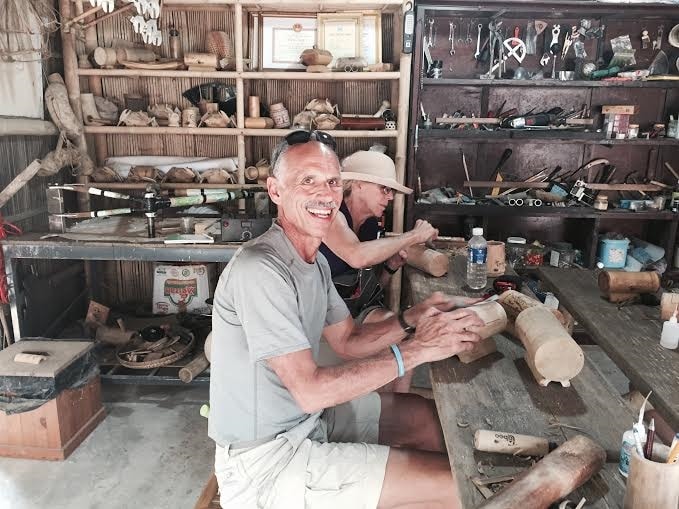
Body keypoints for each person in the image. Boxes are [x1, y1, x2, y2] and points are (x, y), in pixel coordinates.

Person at [209, 130, 484, 509]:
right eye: (308, 181)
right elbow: (310, 391)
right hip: (266, 461)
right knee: (457, 489)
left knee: (426, 420)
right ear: (275, 191)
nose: (326, 195)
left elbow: (348, 341)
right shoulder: (260, 268)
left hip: (310, 422)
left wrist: (412, 318)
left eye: (333, 182)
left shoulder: (314, 261)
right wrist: (417, 350)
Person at [319, 150, 438, 391]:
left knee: (406, 334)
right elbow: (356, 256)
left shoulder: (371, 224)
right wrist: (413, 235)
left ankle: (396, 407)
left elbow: (366, 291)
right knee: (397, 336)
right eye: (384, 189)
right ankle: (386, 409)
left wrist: (390, 268)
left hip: (352, 311)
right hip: (320, 317)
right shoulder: (330, 214)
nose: (390, 197)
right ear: (359, 184)